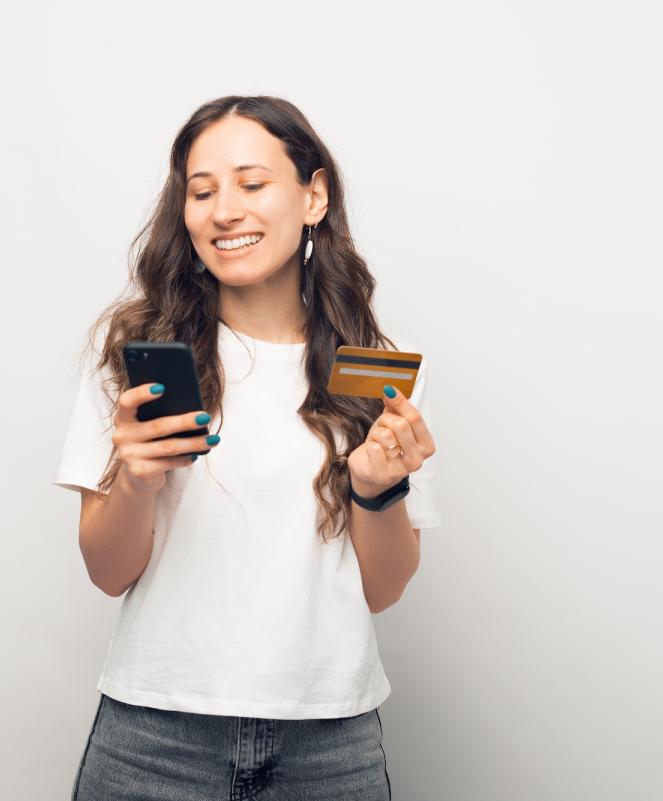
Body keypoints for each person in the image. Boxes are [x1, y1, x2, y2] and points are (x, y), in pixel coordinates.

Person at [53, 95, 442, 801]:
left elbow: (383, 590)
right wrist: (136, 480)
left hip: (329, 743)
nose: (224, 211)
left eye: (252, 184)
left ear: (314, 196)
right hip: (156, 737)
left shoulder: (370, 367)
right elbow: (108, 572)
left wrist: (377, 488)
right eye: (202, 192)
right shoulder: (140, 354)